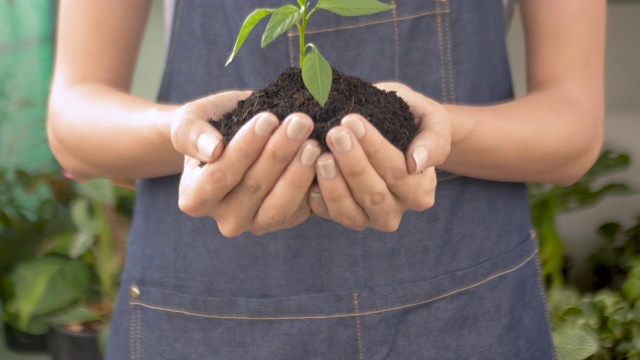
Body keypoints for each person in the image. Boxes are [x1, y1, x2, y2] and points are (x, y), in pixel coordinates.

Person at [47, 0, 605, 358]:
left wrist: (435, 133)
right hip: (209, 313)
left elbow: (574, 127)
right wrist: (196, 135)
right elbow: (73, 123)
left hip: (460, 313)